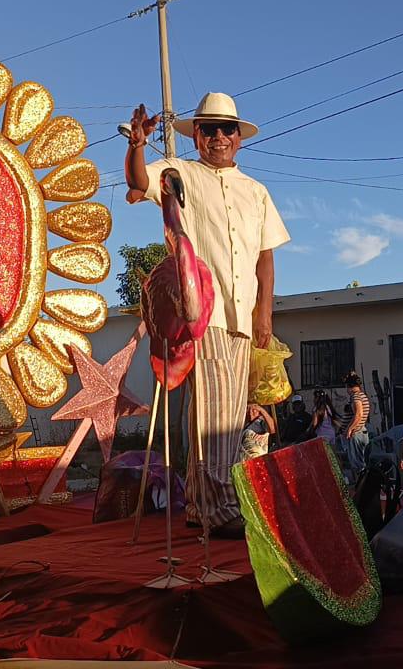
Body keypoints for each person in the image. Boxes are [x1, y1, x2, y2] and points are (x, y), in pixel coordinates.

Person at [125, 92, 290, 539]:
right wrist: (137, 146)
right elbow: (139, 186)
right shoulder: (183, 173)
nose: (219, 137)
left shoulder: (256, 192)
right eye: (209, 129)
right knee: (217, 415)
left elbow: (265, 258)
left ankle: (201, 503)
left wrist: (264, 317)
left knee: (227, 412)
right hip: (204, 311)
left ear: (239, 138)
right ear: (196, 135)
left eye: (226, 129)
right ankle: (219, 506)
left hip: (241, 317)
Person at [336, 372, 371, 482]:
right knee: (360, 461)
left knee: (357, 463)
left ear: (349, 386)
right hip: (361, 432)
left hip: (356, 433)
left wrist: (349, 429)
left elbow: (358, 414)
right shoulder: (363, 395)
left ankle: (360, 485)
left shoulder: (356, 396)